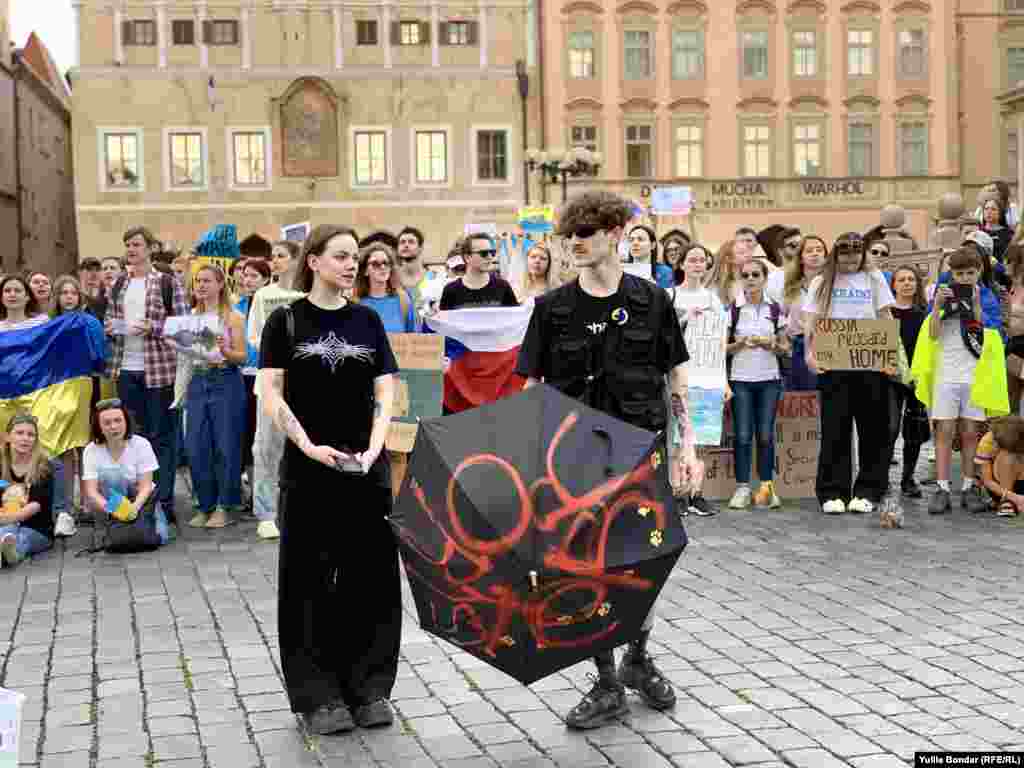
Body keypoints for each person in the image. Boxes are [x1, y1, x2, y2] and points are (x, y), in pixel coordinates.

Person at [515, 190, 692, 730]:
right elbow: (532, 387)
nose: (574, 245)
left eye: (585, 234)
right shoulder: (553, 309)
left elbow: (675, 376)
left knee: (645, 561)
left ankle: (637, 658)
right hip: (577, 460)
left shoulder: (652, 300)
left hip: (642, 451)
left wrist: (688, 446)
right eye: (569, 236)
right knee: (590, 567)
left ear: (615, 233)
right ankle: (606, 679)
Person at [260, 224, 400, 734]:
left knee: (371, 579)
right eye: (341, 256)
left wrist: (376, 445)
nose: (352, 265)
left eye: (355, 257)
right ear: (313, 261)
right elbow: (271, 393)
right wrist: (307, 445)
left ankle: (369, 688)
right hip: (308, 469)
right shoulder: (285, 321)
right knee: (308, 581)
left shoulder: (367, 320)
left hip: (366, 467)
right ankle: (317, 696)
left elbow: (387, 390)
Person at [804, 232, 897, 515]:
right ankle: (832, 491)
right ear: (836, 255)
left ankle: (869, 490)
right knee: (835, 429)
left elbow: (885, 317)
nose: (850, 260)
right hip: (834, 364)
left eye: (856, 254)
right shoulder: (822, 281)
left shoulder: (875, 278)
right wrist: (809, 354)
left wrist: (890, 356)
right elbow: (812, 321)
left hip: (870, 363)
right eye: (845, 255)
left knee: (873, 430)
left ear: (862, 254)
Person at [912, 246, 1009, 515]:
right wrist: (939, 307)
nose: (965, 277)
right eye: (959, 273)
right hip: (946, 373)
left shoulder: (987, 296)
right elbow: (931, 334)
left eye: (970, 272)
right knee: (943, 431)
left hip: (974, 373)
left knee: (970, 433)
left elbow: (992, 334)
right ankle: (942, 488)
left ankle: (968, 487)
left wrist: (976, 307)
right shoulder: (943, 294)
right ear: (951, 273)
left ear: (979, 272)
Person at [104, 226, 188, 526]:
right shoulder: (118, 284)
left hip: (159, 371)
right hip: (126, 369)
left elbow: (182, 326)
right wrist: (111, 327)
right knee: (133, 437)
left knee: (161, 438)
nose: (131, 249)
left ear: (150, 248)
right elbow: (109, 318)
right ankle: (137, 499)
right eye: (127, 244)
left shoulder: (167, 282)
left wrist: (150, 327)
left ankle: (163, 500)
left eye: (137, 244)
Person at [174, 265, 247, 529]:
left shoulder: (232, 317)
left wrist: (225, 350)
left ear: (219, 285)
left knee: (225, 445)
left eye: (207, 281)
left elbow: (242, 357)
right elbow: (184, 355)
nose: (201, 286)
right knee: (196, 445)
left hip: (225, 380)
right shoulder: (190, 316)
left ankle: (224, 506)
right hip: (197, 381)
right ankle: (204, 505)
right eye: (197, 281)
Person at [246, 241, 306, 541]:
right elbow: (253, 335)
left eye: (281, 256)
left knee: (304, 446)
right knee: (267, 447)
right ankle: (267, 513)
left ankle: (302, 508)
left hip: (304, 384)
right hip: (271, 381)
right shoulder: (263, 295)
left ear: (297, 260)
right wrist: (270, 344)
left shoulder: (306, 295)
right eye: (273, 257)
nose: (275, 261)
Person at [670, 243, 728, 517]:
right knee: (678, 438)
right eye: (691, 260)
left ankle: (697, 492)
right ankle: (678, 492)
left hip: (708, 377)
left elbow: (720, 343)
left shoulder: (714, 300)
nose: (697, 264)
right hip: (678, 378)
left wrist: (724, 381)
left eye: (702, 260)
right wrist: (684, 319)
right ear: (681, 264)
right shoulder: (670, 296)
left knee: (702, 438)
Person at [725, 258, 785, 510]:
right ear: (741, 279)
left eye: (755, 275)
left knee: (765, 434)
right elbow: (722, 349)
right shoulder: (733, 308)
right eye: (746, 275)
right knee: (742, 434)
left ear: (764, 278)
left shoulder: (775, 308)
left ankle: (766, 487)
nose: (750, 279)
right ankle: (741, 487)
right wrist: (740, 344)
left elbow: (786, 347)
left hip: (769, 379)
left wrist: (770, 344)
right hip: (741, 380)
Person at [49, 275, 106, 537]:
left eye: (73, 293)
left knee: (86, 447)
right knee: (64, 448)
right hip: (59, 390)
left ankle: (89, 501)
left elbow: (99, 357)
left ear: (80, 296)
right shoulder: (50, 325)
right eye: (64, 293)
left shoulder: (90, 322)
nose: (69, 297)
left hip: (86, 388)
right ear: (57, 298)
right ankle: (66, 509)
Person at [81, 399, 164, 541]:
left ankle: (125, 525)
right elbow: (91, 492)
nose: (113, 426)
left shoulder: (141, 444)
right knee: (113, 475)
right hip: (110, 504)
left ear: (126, 421)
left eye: (118, 420)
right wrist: (115, 510)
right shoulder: (91, 450)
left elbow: (146, 486)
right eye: (106, 423)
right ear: (99, 427)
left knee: (161, 537)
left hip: (139, 500)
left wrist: (134, 508)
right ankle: (111, 524)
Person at [888, 266, 930, 498]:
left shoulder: (923, 313)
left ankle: (908, 478)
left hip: (917, 377)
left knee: (914, 431)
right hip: (891, 378)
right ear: (893, 284)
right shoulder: (885, 312)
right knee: (890, 428)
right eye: (901, 279)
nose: (907, 283)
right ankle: (882, 478)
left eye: (911, 279)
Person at [0, 413, 55, 567]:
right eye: (19, 433)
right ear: (8, 437)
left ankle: (11, 553)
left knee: (22, 537)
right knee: (7, 531)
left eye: (31, 435)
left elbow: (36, 505)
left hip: (36, 528)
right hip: (4, 522)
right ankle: (6, 552)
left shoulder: (43, 466)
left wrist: (8, 519)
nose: (25, 438)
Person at [236, 259, 271, 501]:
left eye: (254, 276)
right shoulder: (237, 306)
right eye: (245, 275)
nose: (247, 280)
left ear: (266, 280)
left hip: (266, 375)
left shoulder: (271, 305)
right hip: (241, 376)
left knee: (265, 435)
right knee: (246, 435)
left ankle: (268, 491)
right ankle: (252, 494)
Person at [439, 233, 519, 311]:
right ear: (467, 257)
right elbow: (443, 322)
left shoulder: (503, 287)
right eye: (483, 253)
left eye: (492, 252)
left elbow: (515, 319)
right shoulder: (450, 290)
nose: (490, 257)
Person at [354, 242, 418, 333]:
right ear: (365, 271)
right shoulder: (355, 302)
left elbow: (414, 339)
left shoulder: (403, 300)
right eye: (375, 263)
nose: (382, 267)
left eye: (386, 263)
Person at [976, 416, 1024, 516]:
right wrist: (1014, 497)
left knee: (1014, 455)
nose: (994, 446)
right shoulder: (987, 441)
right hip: (1000, 488)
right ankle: (1007, 502)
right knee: (1007, 456)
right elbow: (987, 481)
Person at [627, 225, 673, 289]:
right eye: (631, 240)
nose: (635, 243)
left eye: (640, 239)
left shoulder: (664, 272)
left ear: (652, 245)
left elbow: (667, 297)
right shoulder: (622, 271)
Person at [981, 197, 1013, 264]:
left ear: (1000, 213)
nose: (988, 212)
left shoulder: (1008, 233)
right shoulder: (978, 231)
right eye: (986, 209)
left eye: (993, 209)